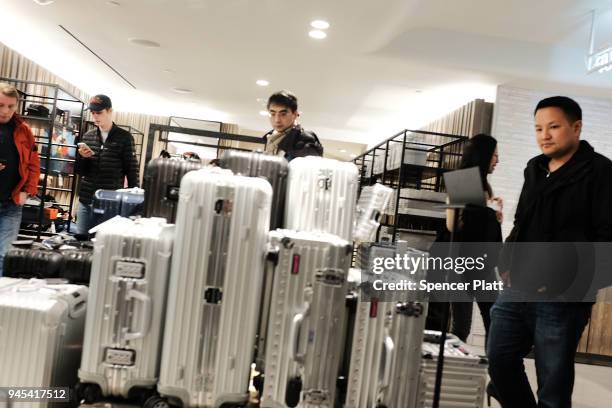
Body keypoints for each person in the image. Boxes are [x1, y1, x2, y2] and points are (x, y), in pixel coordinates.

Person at [487, 96, 612, 408]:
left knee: (552, 383)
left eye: (554, 126)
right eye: (539, 128)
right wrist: (507, 261)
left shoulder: (602, 172)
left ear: (576, 127)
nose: (545, 134)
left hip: (562, 296)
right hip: (517, 286)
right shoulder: (535, 168)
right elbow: (522, 221)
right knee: (499, 361)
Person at [446, 134, 503, 343]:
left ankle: (494, 372)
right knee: (462, 327)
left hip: (481, 263)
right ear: (484, 155)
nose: (497, 160)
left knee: (493, 320)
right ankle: (453, 369)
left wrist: (494, 215)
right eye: (495, 155)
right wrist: (487, 213)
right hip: (463, 263)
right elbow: (453, 225)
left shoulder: (485, 186)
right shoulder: (463, 181)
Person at [75, 95, 139, 235]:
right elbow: (80, 171)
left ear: (110, 111)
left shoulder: (125, 138)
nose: (95, 116)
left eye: (99, 112)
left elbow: (132, 169)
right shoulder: (88, 136)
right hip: (86, 200)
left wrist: (135, 203)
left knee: (102, 244)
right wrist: (83, 158)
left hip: (109, 202)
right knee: (80, 241)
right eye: (93, 113)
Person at [0, 83, 40, 276]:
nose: (5, 111)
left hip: (12, 203)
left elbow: (33, 163)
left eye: (10, 106)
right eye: (1, 105)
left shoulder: (24, 130)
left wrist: (29, 190)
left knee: (5, 256)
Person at [263, 90, 323, 161]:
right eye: (273, 114)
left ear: (294, 114)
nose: (277, 120)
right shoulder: (270, 138)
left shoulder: (305, 140)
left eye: (283, 114)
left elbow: (309, 170)